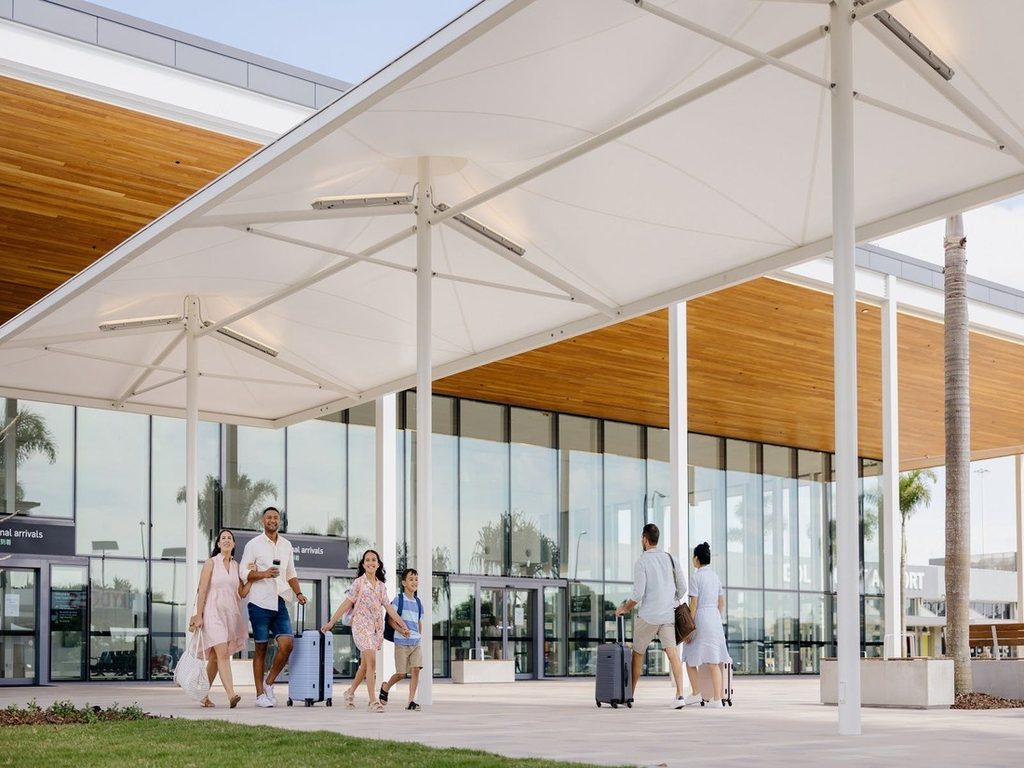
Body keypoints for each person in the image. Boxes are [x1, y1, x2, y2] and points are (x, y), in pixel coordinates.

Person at [321, 549, 409, 713]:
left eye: (373, 560)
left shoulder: (381, 587)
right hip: (360, 626)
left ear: (378, 564)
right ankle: (372, 701)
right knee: (372, 661)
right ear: (363, 564)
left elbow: (389, 608)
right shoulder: (359, 583)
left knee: (365, 665)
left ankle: (350, 692)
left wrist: (402, 624)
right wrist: (331, 622)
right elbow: (346, 604)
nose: (370, 562)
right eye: (367, 560)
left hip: (375, 629)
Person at [614, 523, 690, 709]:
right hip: (667, 616)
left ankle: (630, 696)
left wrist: (624, 607)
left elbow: (638, 594)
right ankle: (680, 695)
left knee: (638, 655)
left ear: (644, 539)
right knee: (672, 654)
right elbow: (682, 588)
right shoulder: (672, 559)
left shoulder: (642, 562)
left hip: (648, 616)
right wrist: (671, 599)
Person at [239, 506, 307, 708]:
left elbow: (291, 573)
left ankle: (269, 683)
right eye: (269, 517)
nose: (272, 520)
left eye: (276, 518)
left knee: (287, 645)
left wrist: (299, 593)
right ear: (262, 521)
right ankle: (259, 694)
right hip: (259, 603)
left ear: (279, 521)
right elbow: (243, 572)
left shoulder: (286, 545)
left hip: (279, 602)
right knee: (261, 648)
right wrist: (263, 574)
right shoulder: (253, 545)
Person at [188, 528, 251, 708]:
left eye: (229, 538)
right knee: (222, 653)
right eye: (223, 538)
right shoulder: (211, 563)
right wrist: (198, 615)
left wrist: (252, 579)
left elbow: (242, 592)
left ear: (234, 544)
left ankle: (203, 695)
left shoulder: (236, 566)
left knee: (215, 658)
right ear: (218, 544)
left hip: (229, 616)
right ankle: (231, 694)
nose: (226, 540)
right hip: (212, 614)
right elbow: (202, 590)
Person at [682, 542, 732, 709]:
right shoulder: (715, 577)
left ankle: (696, 692)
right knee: (714, 660)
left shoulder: (696, 577)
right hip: (714, 619)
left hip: (701, 618)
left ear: (696, 558)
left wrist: (689, 628)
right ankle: (717, 699)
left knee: (689, 657)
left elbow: (694, 603)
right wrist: (716, 615)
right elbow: (722, 602)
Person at [379, 567, 425, 711]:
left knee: (416, 669)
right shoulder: (398, 600)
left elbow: (419, 622)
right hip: (401, 643)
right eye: (411, 579)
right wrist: (401, 631)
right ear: (404, 583)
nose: (414, 582)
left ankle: (411, 701)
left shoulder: (418, 603)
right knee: (401, 674)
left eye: (416, 579)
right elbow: (391, 620)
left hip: (415, 643)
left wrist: (418, 636)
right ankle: (385, 687)